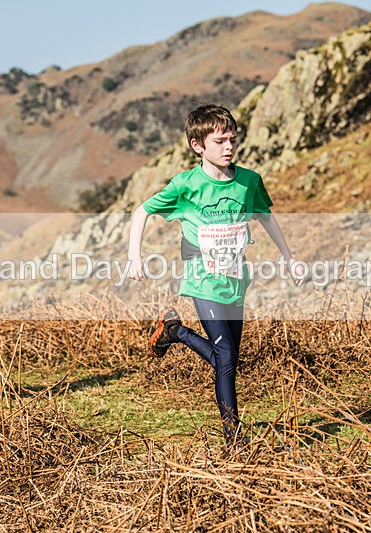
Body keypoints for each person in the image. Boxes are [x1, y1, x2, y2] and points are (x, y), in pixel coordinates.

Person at [127, 103, 303, 440]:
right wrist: (134, 256)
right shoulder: (185, 185)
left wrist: (289, 258)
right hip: (201, 279)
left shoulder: (249, 182)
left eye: (232, 140)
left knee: (229, 359)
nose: (228, 147)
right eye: (220, 141)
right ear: (198, 146)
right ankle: (233, 438)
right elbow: (141, 211)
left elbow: (265, 216)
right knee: (225, 358)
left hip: (236, 279)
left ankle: (175, 331)